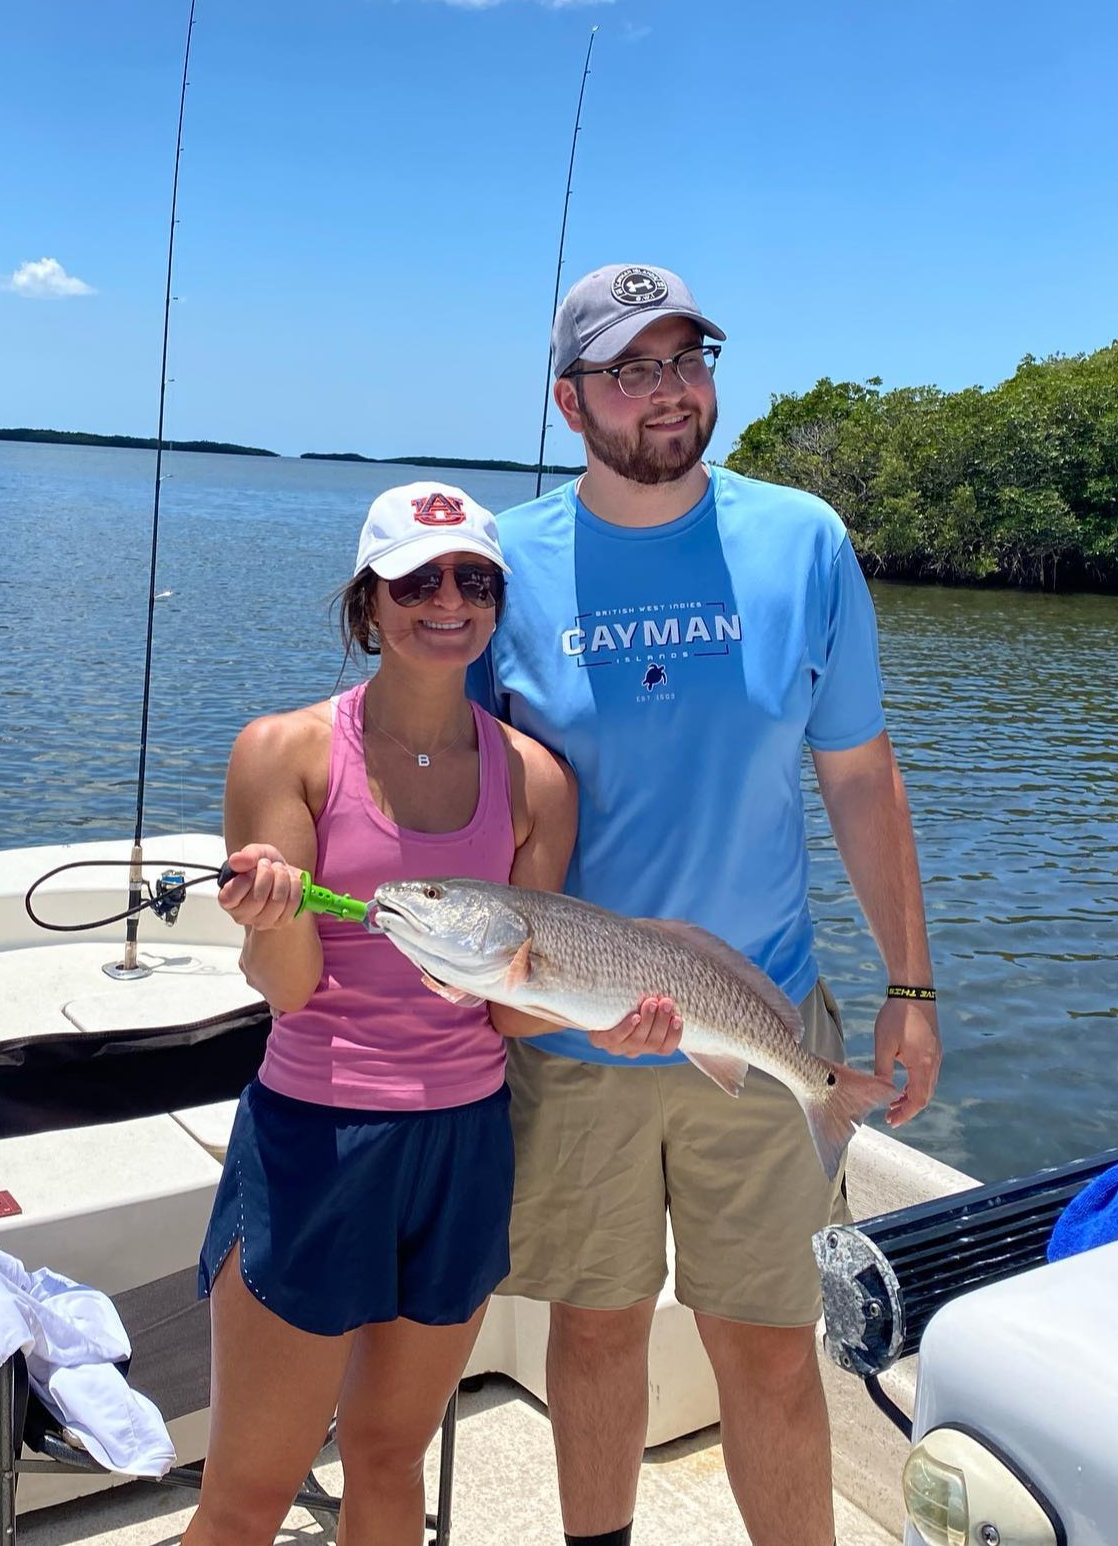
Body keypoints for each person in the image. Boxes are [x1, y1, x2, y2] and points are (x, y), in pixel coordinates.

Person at [470, 264, 943, 1546]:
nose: (670, 391)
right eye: (631, 368)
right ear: (571, 402)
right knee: (597, 1326)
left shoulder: (804, 539)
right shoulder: (499, 564)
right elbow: (458, 802)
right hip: (575, 1036)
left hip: (764, 1007)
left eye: (688, 357)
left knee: (774, 1350)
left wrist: (908, 984)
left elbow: (859, 775)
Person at [181, 481, 577, 1546]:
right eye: (417, 579)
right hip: (318, 1139)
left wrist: (603, 1017)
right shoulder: (286, 751)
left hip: (464, 1144)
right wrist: (270, 914)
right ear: (369, 604)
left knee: (391, 1458)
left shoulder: (537, 777)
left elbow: (514, 1018)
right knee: (248, 1496)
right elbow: (292, 987)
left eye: (474, 580)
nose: (447, 600)